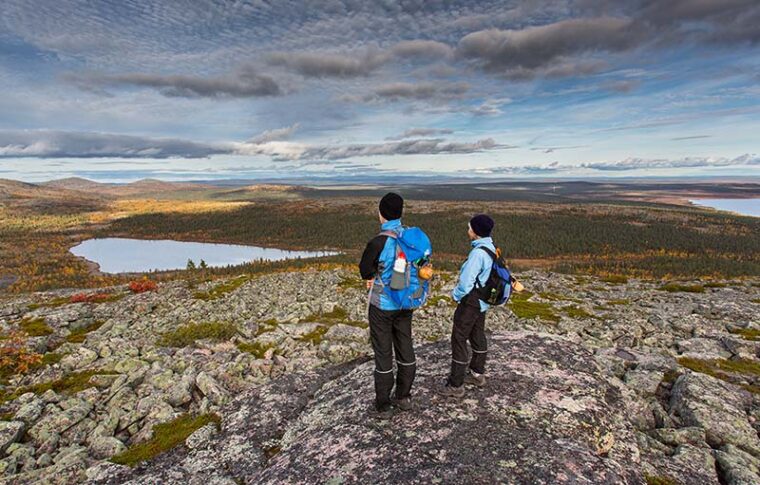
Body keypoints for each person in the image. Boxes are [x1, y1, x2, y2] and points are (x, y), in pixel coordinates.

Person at [359, 192, 417, 419]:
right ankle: (403, 397)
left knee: (384, 353)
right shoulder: (410, 238)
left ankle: (383, 405)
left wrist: (373, 274)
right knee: (405, 345)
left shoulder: (379, 242)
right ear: (400, 213)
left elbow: (365, 269)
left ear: (381, 214)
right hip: (405, 302)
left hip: (382, 305)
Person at [440, 214, 497, 397]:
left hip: (470, 303)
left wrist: (455, 295)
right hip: (482, 302)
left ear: (476, 232)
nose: (468, 230)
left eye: (470, 227)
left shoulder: (478, 253)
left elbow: (466, 284)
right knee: (477, 334)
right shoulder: (490, 248)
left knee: (459, 338)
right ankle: (477, 373)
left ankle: (456, 384)